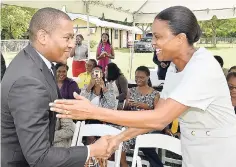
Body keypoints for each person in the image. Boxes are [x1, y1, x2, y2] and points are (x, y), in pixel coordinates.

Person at [50, 6, 236, 167]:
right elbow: (157, 117)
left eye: (157, 36)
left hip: (219, 155)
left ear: (180, 39)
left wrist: (93, 112)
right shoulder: (174, 67)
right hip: (193, 154)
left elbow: (159, 119)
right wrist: (118, 138)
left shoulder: (202, 67)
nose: (153, 42)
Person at [1, 8, 109, 167]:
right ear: (43, 37)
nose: (72, 44)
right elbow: (40, 157)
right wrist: (90, 151)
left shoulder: (36, 63)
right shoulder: (28, 81)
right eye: (67, 38)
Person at [125, 66, 162, 167]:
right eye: (136, 77)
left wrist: (143, 105)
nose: (138, 79)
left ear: (148, 77)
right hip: (133, 124)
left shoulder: (155, 94)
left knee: (143, 141)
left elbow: (159, 114)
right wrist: (128, 105)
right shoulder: (131, 91)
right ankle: (123, 163)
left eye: (141, 77)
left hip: (148, 125)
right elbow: (126, 111)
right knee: (118, 137)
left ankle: (157, 165)